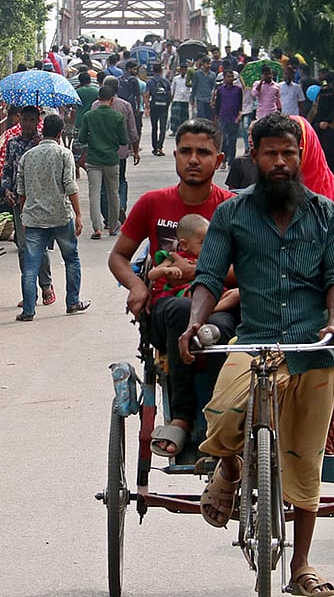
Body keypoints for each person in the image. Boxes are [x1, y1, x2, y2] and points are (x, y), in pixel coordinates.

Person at [179, 113, 334, 597]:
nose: (280, 162)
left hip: (312, 348)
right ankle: (230, 467)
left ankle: (301, 567)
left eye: (289, 153)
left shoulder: (325, 213)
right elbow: (209, 276)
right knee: (223, 415)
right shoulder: (232, 215)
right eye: (271, 153)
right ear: (253, 157)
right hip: (256, 340)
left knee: (304, 461)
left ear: (300, 157)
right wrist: (196, 320)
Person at [108, 118, 235, 457]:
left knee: (219, 333)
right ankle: (182, 418)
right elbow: (118, 256)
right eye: (186, 151)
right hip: (169, 308)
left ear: (219, 160)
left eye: (203, 152)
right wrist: (136, 286)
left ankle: (220, 420)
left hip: (218, 306)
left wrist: (197, 271)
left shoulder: (233, 207)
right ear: (175, 156)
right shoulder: (152, 203)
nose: (194, 159)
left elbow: (249, 270)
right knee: (182, 313)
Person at [15, 116, 91, 321]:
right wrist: (78, 215)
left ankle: (28, 310)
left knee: (30, 267)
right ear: (60, 134)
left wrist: (24, 214)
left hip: (34, 218)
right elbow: (70, 185)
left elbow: (21, 190)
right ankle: (73, 301)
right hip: (60, 216)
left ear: (42, 132)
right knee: (71, 259)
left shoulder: (27, 156)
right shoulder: (64, 154)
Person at [1, 106, 55, 305]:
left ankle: (46, 285)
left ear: (37, 121)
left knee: (39, 245)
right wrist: (6, 190)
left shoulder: (44, 144)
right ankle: (28, 290)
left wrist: (41, 146)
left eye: (31, 120)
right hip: (18, 201)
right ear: (19, 120)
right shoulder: (12, 143)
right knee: (24, 246)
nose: (27, 124)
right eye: (24, 119)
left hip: (39, 200)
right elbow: (7, 170)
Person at [80, 85, 132, 240]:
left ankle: (97, 228)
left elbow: (82, 138)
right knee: (113, 193)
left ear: (98, 99)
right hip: (111, 159)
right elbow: (124, 140)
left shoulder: (89, 116)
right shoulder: (117, 117)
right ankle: (113, 225)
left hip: (94, 159)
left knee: (94, 194)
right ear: (112, 99)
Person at [146, 214, 209, 301]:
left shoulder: (209, 257)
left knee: (230, 296)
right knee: (195, 292)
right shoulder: (174, 257)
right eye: (203, 243)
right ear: (184, 244)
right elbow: (151, 275)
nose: (209, 246)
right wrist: (165, 270)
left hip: (206, 290)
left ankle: (217, 306)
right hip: (181, 293)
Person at [212, 69, 244, 167]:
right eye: (228, 77)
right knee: (224, 140)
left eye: (232, 77)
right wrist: (216, 117)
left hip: (234, 118)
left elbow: (240, 104)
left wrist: (239, 115)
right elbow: (217, 104)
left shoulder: (238, 90)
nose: (230, 79)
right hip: (223, 117)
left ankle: (231, 162)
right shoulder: (221, 90)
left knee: (232, 140)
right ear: (224, 78)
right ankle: (223, 160)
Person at [145, 62, 173, 155]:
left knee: (154, 127)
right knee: (163, 127)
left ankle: (154, 147)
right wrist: (168, 105)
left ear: (153, 71)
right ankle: (160, 147)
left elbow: (147, 94)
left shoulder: (150, 82)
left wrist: (147, 107)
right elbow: (170, 95)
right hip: (163, 106)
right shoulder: (166, 81)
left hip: (154, 106)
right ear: (161, 71)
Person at [73, 71, 99, 141]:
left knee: (79, 143)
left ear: (80, 81)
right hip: (93, 120)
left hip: (80, 120)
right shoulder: (96, 91)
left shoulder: (77, 91)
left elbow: (72, 105)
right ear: (90, 80)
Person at [191, 55, 216, 120]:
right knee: (201, 116)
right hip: (200, 98)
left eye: (210, 63)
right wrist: (192, 98)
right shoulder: (197, 74)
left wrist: (213, 99)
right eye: (207, 64)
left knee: (208, 117)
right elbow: (194, 86)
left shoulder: (213, 75)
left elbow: (214, 87)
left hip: (209, 98)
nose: (209, 65)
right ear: (203, 63)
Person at [170, 61, 192, 130]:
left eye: (184, 70)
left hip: (185, 99)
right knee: (175, 116)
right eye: (182, 69)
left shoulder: (189, 79)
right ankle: (174, 129)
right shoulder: (176, 78)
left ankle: (184, 129)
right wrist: (171, 98)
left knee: (184, 116)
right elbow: (172, 89)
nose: (183, 71)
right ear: (180, 70)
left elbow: (191, 88)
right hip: (177, 99)